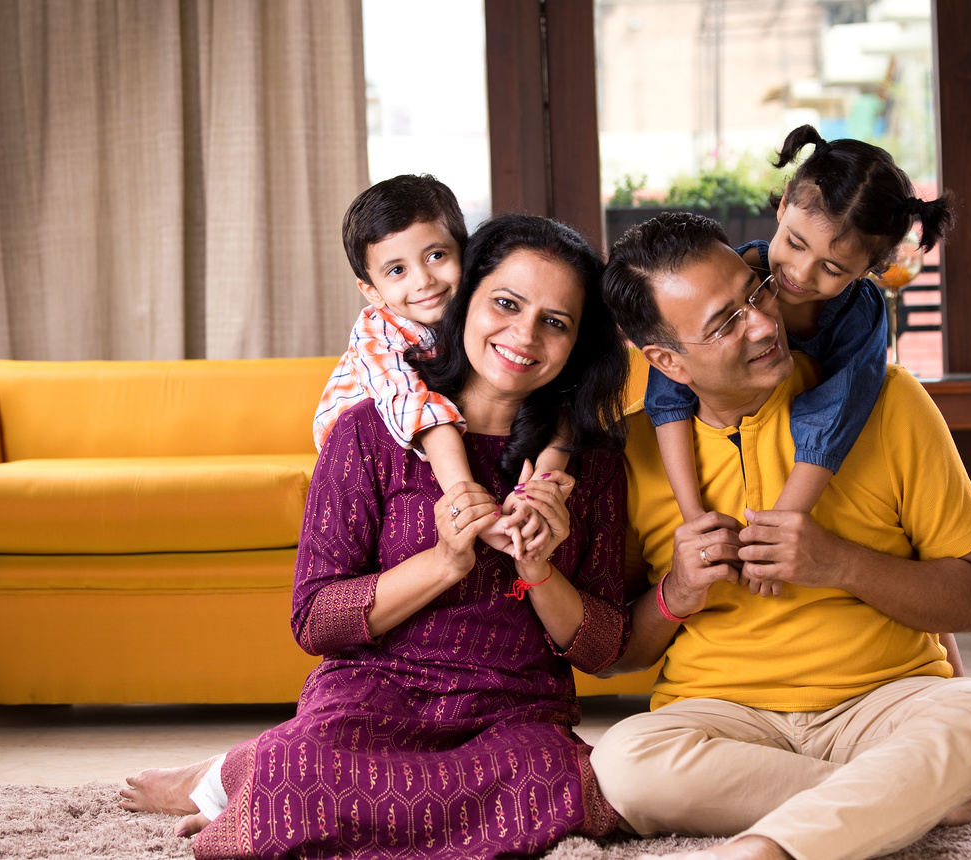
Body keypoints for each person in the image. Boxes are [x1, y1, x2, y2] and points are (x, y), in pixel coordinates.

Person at [592, 211, 971, 860]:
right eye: (726, 323)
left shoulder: (891, 401)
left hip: (887, 701)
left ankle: (768, 850)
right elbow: (621, 652)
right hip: (722, 713)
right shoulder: (636, 452)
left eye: (756, 293)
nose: (763, 323)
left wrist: (838, 564)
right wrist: (677, 589)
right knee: (623, 763)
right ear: (667, 361)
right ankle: (956, 803)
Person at [121, 214, 632, 859]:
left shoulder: (593, 461)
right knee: (302, 774)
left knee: (560, 785)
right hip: (372, 698)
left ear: (578, 342)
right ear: (465, 298)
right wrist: (446, 561)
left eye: (555, 321)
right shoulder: (367, 431)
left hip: (511, 713)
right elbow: (315, 621)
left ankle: (244, 780)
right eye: (505, 303)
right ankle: (250, 776)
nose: (524, 335)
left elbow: (601, 648)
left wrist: (540, 573)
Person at [646, 126, 966, 673]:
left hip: (820, 485)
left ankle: (953, 685)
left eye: (833, 268)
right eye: (796, 243)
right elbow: (668, 396)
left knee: (915, 572)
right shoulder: (730, 280)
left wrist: (780, 530)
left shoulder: (858, 317)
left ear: (869, 271)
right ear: (784, 205)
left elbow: (834, 415)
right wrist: (694, 516)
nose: (798, 273)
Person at [312, 174, 565, 557]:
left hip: (439, 435)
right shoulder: (376, 333)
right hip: (370, 456)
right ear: (372, 291)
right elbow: (422, 415)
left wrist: (541, 481)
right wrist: (477, 516)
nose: (424, 280)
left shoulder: (472, 312)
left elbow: (563, 397)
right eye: (397, 270)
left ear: (465, 251)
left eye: (436, 256)